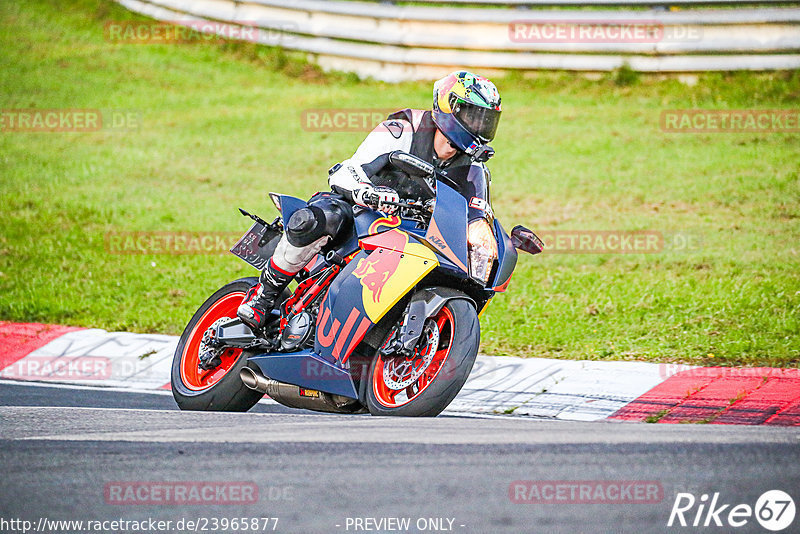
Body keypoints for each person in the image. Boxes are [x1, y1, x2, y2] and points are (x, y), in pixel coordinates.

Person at [237, 70, 502, 331]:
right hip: (359, 211)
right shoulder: (403, 129)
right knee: (321, 217)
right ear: (448, 105)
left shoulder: (473, 169)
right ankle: (263, 295)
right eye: (473, 117)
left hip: (412, 232)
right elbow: (347, 170)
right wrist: (367, 192)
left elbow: (476, 214)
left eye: (485, 121)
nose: (478, 127)